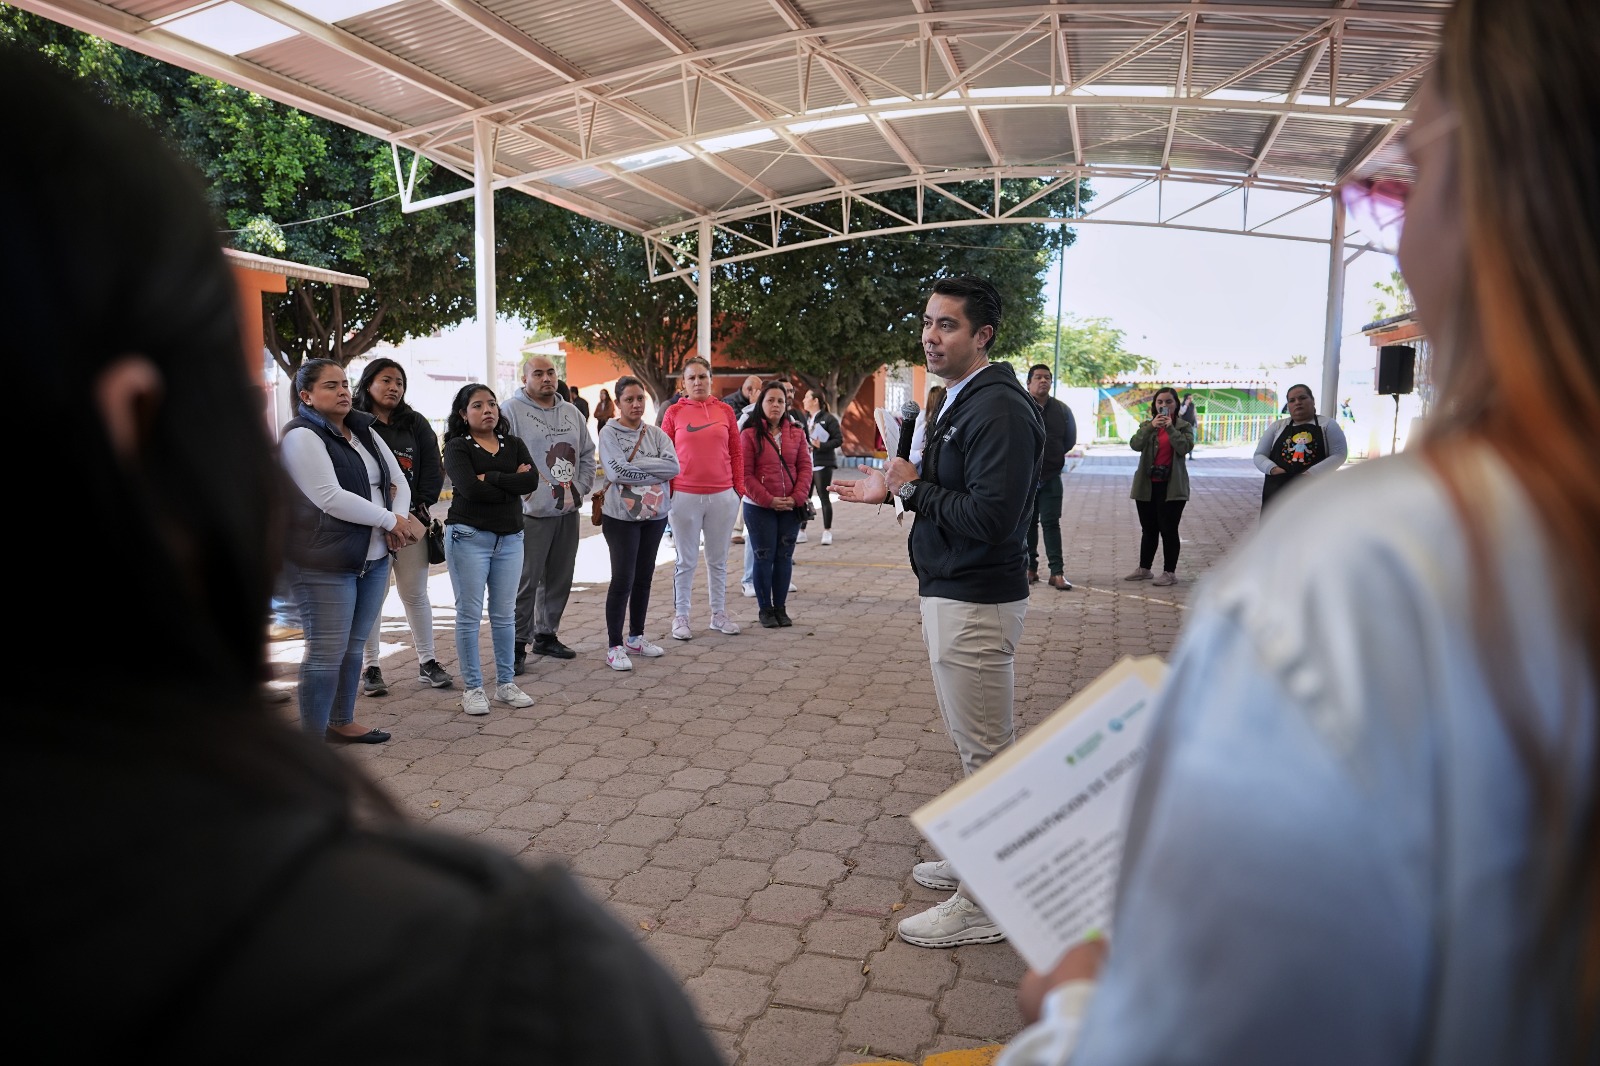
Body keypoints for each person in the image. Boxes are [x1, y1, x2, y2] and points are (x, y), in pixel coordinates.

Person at [12, 61, 725, 1062]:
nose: (351, 389)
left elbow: (460, 475)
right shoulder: (501, 986)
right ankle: (382, 707)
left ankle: (374, 707)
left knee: (371, 646)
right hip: (414, 546)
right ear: (134, 424)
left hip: (436, 533)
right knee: (384, 637)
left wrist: (421, 499)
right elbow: (459, 483)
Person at [1003, 3, 1599, 1063]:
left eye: (1407, 176)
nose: (1402, 230)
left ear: (1501, 192)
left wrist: (1077, 1011)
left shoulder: (1376, 572)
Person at [834, 276, 1044, 949]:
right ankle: (981, 857)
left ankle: (984, 902)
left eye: (947, 325)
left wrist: (914, 490)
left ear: (983, 335)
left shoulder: (1000, 409)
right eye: (928, 322)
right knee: (973, 745)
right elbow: (937, 488)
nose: (930, 335)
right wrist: (895, 492)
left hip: (975, 597)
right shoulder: (959, 398)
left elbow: (991, 517)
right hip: (953, 589)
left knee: (987, 754)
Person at [282, 358, 422, 745]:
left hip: (373, 558)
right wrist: (391, 521)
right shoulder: (301, 436)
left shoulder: (363, 431)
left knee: (354, 646)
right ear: (306, 396)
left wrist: (395, 519)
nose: (343, 391)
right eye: (331, 386)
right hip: (324, 561)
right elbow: (329, 497)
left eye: (345, 383)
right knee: (326, 652)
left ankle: (341, 721)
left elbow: (398, 479)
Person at [352, 356, 452, 694]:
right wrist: (380, 519)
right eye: (387, 380)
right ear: (368, 383)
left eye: (400, 382)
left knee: (415, 593)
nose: (394, 387)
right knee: (372, 597)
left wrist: (409, 517)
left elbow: (432, 473)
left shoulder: (415, 424)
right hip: (367, 524)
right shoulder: (352, 423)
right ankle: (372, 667)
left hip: (410, 525)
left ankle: (427, 661)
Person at [441, 385, 539, 716]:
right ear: (462, 414)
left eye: (493, 404)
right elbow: (469, 489)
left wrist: (492, 477)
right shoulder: (457, 447)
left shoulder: (513, 444)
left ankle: (506, 684)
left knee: (503, 614)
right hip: (469, 537)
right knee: (469, 615)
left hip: (510, 539)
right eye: (478, 405)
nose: (488, 410)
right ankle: (473, 689)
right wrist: (510, 481)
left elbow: (531, 483)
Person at [500, 355, 595, 671]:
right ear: (524, 379)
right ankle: (515, 644)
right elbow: (500, 453)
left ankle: (546, 634)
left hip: (567, 510)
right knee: (526, 582)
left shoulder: (571, 412)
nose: (546, 378)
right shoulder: (511, 411)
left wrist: (580, 488)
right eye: (537, 373)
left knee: (559, 578)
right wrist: (521, 492)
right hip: (530, 513)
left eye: (551, 372)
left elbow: (586, 451)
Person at [597, 376, 680, 671]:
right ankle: (614, 645)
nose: (636, 404)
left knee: (644, 577)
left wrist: (638, 468)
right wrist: (652, 470)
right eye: (629, 399)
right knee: (623, 579)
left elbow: (673, 466)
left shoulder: (656, 434)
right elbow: (616, 471)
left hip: (655, 516)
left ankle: (636, 637)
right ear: (618, 403)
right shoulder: (609, 433)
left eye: (640, 399)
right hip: (620, 518)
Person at [660, 356, 745, 639]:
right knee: (686, 561)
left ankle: (718, 614)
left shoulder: (725, 412)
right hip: (684, 496)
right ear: (683, 384)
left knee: (718, 560)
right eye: (692, 378)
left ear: (711, 380)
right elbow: (664, 454)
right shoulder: (673, 413)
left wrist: (738, 491)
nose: (698, 382)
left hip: (723, 496)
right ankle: (681, 617)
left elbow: (736, 452)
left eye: (702, 377)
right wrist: (669, 491)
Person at [741, 381, 810, 628]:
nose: (776, 405)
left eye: (781, 401)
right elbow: (744, 474)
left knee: (784, 557)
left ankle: (780, 608)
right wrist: (768, 500)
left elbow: (805, 468)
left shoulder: (797, 433)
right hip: (759, 508)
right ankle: (765, 610)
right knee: (763, 556)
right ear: (761, 403)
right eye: (770, 400)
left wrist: (796, 498)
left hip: (791, 507)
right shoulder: (748, 434)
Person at [1122, 387, 1194, 588]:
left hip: (1172, 488)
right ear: (1154, 405)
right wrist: (1151, 427)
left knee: (1169, 529)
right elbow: (1135, 444)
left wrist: (1170, 428)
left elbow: (1185, 448)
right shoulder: (1147, 425)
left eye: (1169, 402)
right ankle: (1144, 569)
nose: (1164, 406)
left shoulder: (1183, 426)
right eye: (1160, 402)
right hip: (1147, 486)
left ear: (1176, 404)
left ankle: (1169, 573)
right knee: (1148, 529)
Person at [1254, 382, 1348, 511]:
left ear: (1313, 401)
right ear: (1288, 405)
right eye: (1292, 400)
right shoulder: (1277, 426)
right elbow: (1259, 455)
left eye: (1302, 398)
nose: (1297, 402)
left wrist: (1311, 474)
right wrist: (1273, 469)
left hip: (1314, 487)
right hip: (1278, 488)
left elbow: (1339, 454)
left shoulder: (1328, 424)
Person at [1024, 364, 1077, 591]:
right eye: (1038, 377)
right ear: (1028, 383)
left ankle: (1057, 572)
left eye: (1047, 377)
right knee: (1028, 523)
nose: (1043, 381)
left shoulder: (1062, 410)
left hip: (1051, 476)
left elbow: (1069, 441)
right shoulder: (1020, 406)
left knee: (1051, 523)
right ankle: (1030, 569)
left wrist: (1053, 457)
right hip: (1025, 477)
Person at [802, 390, 843, 545]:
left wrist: (822, 445)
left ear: (815, 401)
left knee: (823, 497)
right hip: (806, 463)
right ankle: (801, 530)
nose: (804, 400)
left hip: (822, 463)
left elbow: (838, 439)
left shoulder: (828, 419)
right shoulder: (805, 419)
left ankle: (827, 531)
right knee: (803, 497)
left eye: (807, 397)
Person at [729, 374, 764, 545]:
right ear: (750, 390)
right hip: (736, 455)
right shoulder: (729, 403)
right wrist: (753, 406)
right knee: (739, 491)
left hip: (755, 455)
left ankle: (744, 527)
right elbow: (736, 429)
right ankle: (735, 529)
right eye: (759, 391)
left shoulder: (759, 404)